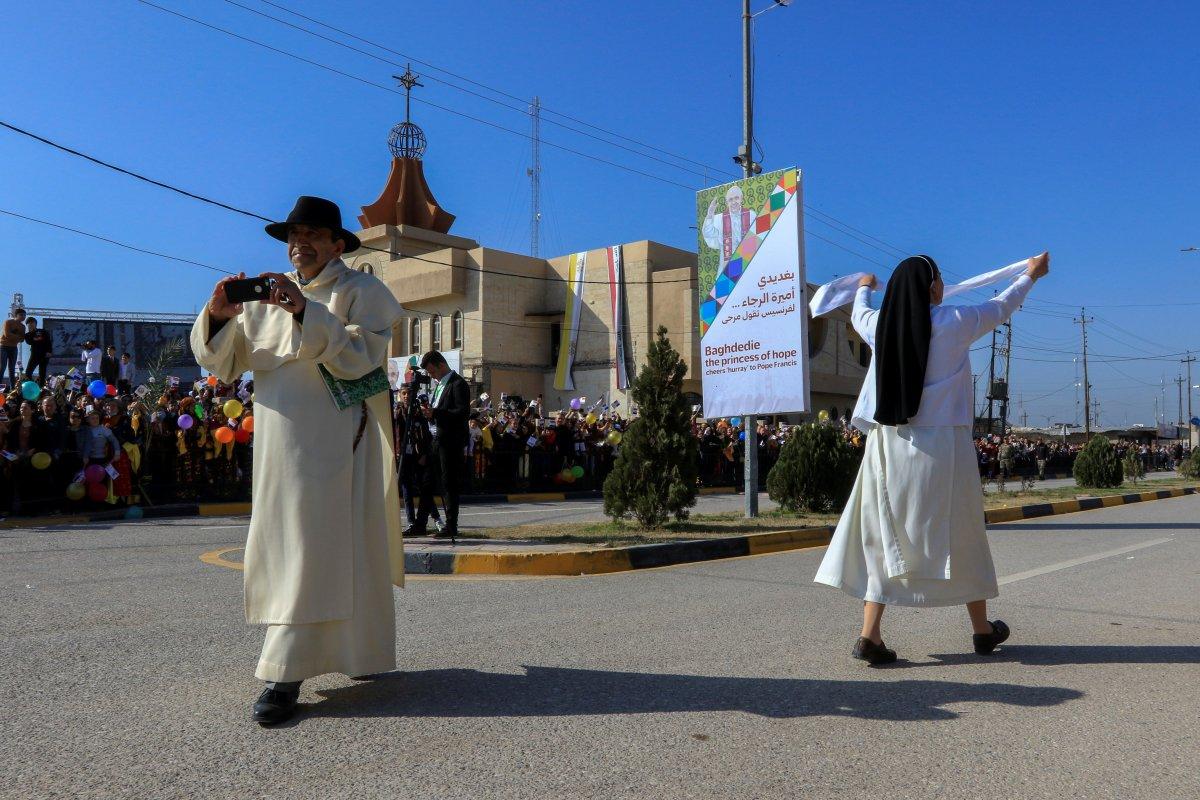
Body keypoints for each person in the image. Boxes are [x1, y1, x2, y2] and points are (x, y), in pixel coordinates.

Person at [190, 195, 406, 726]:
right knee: (300, 544)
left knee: (315, 545)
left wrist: (304, 310)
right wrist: (219, 316)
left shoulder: (361, 292)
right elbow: (221, 361)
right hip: (278, 447)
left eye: (311, 235)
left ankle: (283, 673)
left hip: (337, 441)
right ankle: (356, 651)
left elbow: (362, 357)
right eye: (293, 235)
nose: (299, 244)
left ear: (337, 244)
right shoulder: (262, 299)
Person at [814, 251, 1050, 665]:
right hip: (944, 445)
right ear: (929, 287)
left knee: (883, 534)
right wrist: (1031, 275)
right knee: (960, 532)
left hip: (888, 443)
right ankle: (981, 629)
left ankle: (870, 634)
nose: (943, 285)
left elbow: (859, 312)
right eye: (939, 278)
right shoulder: (955, 323)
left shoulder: (877, 326)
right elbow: (1001, 306)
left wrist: (866, 285)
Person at [413, 350, 469, 539]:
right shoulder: (439, 385)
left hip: (450, 442)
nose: (431, 376)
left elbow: (461, 413)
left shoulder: (458, 384)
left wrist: (436, 413)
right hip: (435, 440)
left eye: (432, 372)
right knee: (427, 483)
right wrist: (429, 413)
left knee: (448, 484)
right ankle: (420, 524)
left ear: (441, 365)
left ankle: (451, 525)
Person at [701, 185, 758, 263]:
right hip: (728, 266)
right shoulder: (719, 219)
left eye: (736, 198)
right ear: (726, 202)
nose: (734, 202)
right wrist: (710, 215)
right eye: (730, 200)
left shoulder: (751, 215)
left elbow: (758, 238)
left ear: (741, 198)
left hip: (749, 262)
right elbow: (709, 235)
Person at [23, 316, 52, 386]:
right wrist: (32, 332)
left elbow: (48, 341)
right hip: (35, 354)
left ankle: (41, 388)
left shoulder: (42, 331)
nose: (31, 324)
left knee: (42, 373)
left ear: (36, 324)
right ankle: (32, 386)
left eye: (32, 323)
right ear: (27, 325)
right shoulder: (27, 335)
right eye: (29, 323)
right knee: (28, 372)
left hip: (44, 354)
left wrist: (49, 351)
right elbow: (29, 342)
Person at [1, 307, 26, 387]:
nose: (23, 317)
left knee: (12, 369)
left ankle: (13, 389)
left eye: (24, 315)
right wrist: (18, 337)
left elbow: (22, 339)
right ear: (16, 315)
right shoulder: (8, 322)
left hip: (14, 348)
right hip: (3, 347)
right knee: (2, 367)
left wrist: (14, 337)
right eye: (21, 315)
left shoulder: (23, 327)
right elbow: (7, 335)